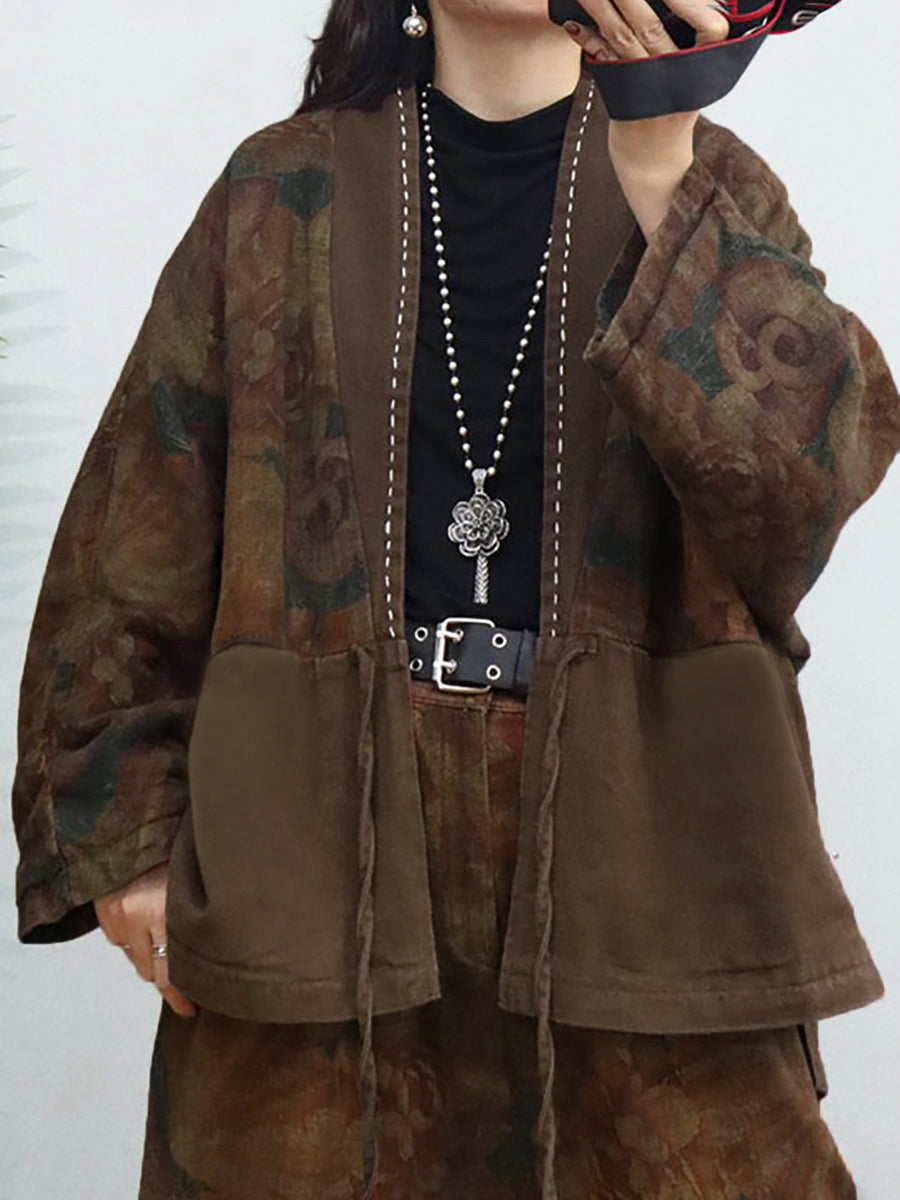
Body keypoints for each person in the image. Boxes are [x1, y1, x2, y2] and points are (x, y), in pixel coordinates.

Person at [11, 1, 899, 1197]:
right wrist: (126, 855)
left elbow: (807, 491)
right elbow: (127, 548)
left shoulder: (710, 182)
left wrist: (658, 161)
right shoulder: (279, 191)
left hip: (650, 876)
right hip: (319, 879)